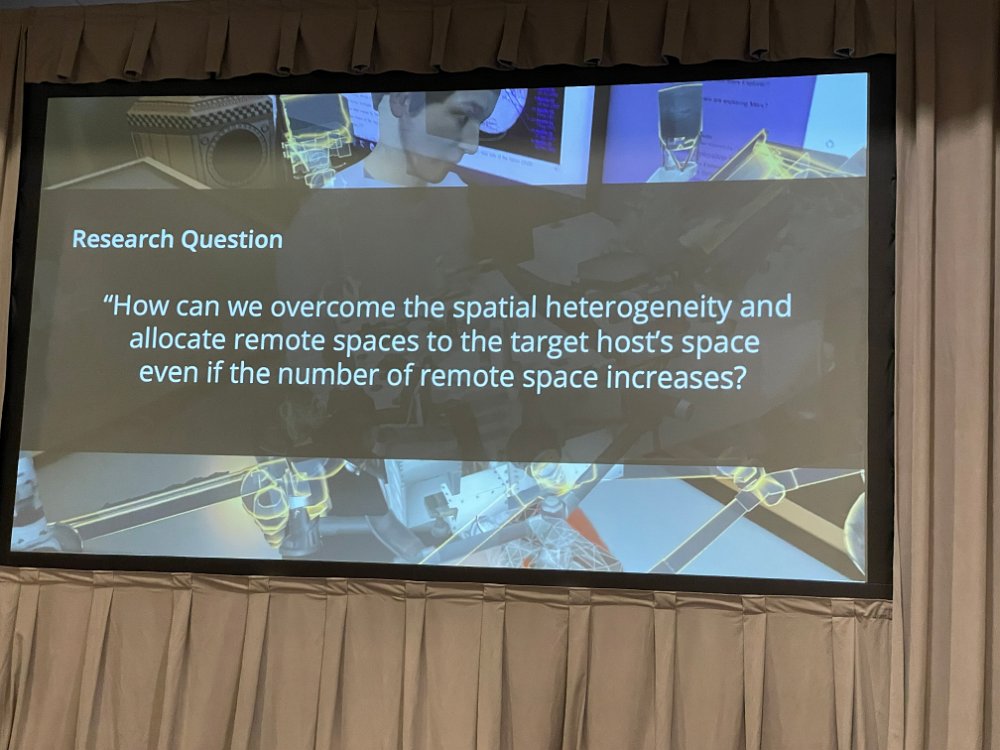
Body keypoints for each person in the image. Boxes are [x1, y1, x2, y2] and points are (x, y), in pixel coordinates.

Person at [332, 89, 501, 188]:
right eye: (461, 117)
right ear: (402, 100)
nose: (472, 147)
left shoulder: (455, 191)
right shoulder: (333, 205)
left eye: (480, 123)